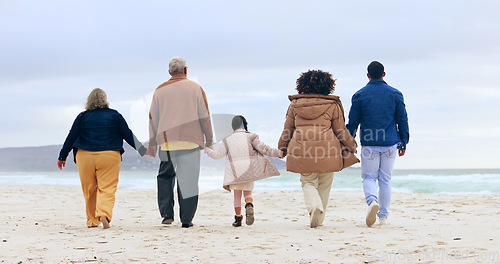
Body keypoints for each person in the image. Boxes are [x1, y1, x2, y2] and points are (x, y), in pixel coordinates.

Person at [57, 88, 146, 229]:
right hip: (109, 155)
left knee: (89, 189)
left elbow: (71, 136)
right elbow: (127, 134)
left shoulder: (82, 116)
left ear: (89, 101)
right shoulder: (115, 115)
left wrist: (62, 156)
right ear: (105, 100)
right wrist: (141, 149)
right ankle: (104, 213)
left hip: (84, 156)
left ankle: (92, 221)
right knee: (107, 187)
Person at [278, 70, 357, 228]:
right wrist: (351, 145)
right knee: (325, 184)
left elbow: (288, 129)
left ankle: (314, 207)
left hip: (302, 149)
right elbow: (340, 130)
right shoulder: (332, 105)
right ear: (328, 86)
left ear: (302, 85)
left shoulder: (294, 105)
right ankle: (319, 218)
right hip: (327, 150)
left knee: (308, 182)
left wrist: (282, 146)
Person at [147, 57, 213, 228]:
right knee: (189, 180)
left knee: (165, 178)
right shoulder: (195, 88)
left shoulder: (160, 90)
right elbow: (204, 117)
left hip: (167, 143)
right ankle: (186, 219)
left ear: (169, 72)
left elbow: (153, 119)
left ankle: (167, 214)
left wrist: (152, 143)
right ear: (185, 70)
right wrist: (209, 139)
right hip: (190, 142)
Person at [346, 61, 410, 227]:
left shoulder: (359, 95)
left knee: (368, 177)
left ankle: (372, 201)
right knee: (385, 180)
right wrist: (404, 141)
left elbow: (353, 122)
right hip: (390, 143)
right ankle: (383, 217)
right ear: (384, 74)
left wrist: (348, 141)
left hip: (369, 143)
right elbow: (402, 119)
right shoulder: (396, 94)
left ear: (368, 75)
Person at [205, 115, 283, 227]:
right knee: (248, 193)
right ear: (245, 124)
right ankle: (249, 205)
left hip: (235, 173)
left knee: (237, 196)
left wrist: (208, 150)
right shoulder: (251, 137)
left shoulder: (227, 140)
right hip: (248, 170)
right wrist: (279, 153)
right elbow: (265, 149)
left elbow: (217, 155)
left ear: (233, 126)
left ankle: (238, 219)